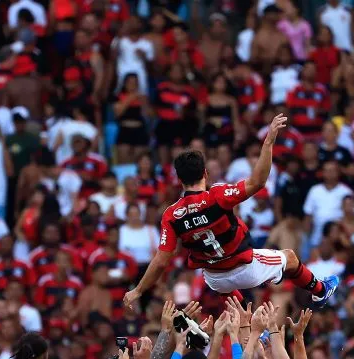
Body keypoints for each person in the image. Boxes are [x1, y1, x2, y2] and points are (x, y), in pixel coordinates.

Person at [123, 113, 338, 309]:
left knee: (221, 282)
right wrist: (268, 142)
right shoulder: (217, 195)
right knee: (289, 257)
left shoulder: (171, 215)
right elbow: (257, 182)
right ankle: (320, 292)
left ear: (179, 179)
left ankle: (249, 323)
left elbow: (161, 260)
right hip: (244, 268)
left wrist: (138, 290)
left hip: (214, 279)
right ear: (205, 173)